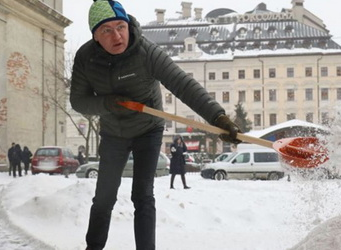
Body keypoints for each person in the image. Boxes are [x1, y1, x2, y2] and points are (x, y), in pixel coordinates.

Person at [70, 1, 241, 249]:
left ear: (128, 25)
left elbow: (183, 84)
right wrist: (109, 104)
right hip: (113, 134)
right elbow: (78, 101)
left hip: (148, 130)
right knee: (104, 199)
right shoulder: (85, 58)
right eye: (106, 30)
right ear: (95, 36)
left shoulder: (146, 52)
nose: (117, 35)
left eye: (121, 26)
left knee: (142, 195)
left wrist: (218, 118)